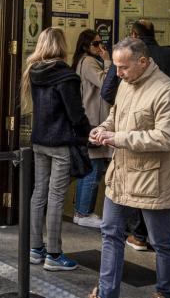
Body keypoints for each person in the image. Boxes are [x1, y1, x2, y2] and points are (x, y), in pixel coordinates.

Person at [88, 38, 170, 298]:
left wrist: (117, 138)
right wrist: (104, 129)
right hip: (120, 174)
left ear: (142, 62)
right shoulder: (125, 84)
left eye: (123, 67)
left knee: (161, 243)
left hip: (152, 180)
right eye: (116, 67)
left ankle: (163, 293)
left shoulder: (166, 91)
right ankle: (107, 293)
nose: (117, 73)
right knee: (110, 234)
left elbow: (167, 137)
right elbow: (114, 116)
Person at [101, 19, 170, 252]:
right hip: (161, 134)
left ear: (134, 35)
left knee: (138, 184)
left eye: (123, 69)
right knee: (166, 182)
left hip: (141, 136)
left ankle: (138, 235)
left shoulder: (139, 71)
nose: (121, 73)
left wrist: (119, 126)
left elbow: (107, 92)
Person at [24, 28, 91, 272]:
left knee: (39, 192)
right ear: (62, 45)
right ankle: (53, 253)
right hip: (61, 142)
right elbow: (75, 113)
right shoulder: (65, 75)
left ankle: (34, 248)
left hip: (40, 140)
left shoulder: (34, 71)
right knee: (55, 196)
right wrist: (88, 131)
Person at [72, 29, 112, 229]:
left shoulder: (84, 61)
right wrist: (108, 61)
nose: (100, 47)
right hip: (93, 121)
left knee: (90, 167)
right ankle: (83, 212)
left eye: (101, 43)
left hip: (91, 120)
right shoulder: (88, 62)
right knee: (93, 168)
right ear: (86, 46)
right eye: (96, 44)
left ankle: (81, 210)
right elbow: (106, 84)